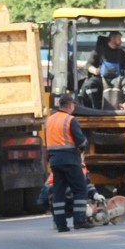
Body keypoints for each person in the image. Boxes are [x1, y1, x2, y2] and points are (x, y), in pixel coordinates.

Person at [45, 93, 104, 231]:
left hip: (54, 161)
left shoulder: (50, 120)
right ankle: (79, 221)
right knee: (80, 189)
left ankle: (61, 224)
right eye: (73, 105)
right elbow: (81, 140)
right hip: (70, 160)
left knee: (58, 191)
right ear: (70, 105)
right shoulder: (70, 120)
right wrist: (82, 148)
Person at [78, 31, 125, 109]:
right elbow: (89, 65)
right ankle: (95, 108)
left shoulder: (121, 53)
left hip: (117, 80)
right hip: (100, 79)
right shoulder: (98, 51)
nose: (121, 41)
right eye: (119, 38)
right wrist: (95, 70)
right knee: (90, 85)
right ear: (112, 39)